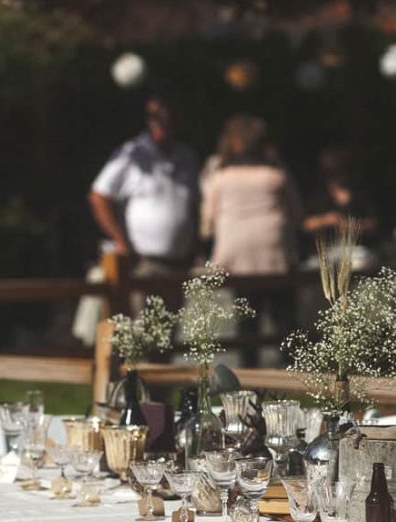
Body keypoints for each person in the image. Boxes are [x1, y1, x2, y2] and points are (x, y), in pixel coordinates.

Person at [201, 115, 302, 364]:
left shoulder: (220, 178)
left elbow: (207, 222)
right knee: (284, 318)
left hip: (237, 255)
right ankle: (295, 372)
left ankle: (248, 375)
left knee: (246, 320)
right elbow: (297, 213)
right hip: (274, 252)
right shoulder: (275, 175)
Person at [88, 93, 199, 302]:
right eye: (157, 116)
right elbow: (99, 196)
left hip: (180, 264)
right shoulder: (131, 154)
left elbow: (194, 207)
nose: (163, 120)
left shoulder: (187, 157)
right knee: (142, 331)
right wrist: (120, 240)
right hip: (143, 264)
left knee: (167, 331)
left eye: (168, 114)